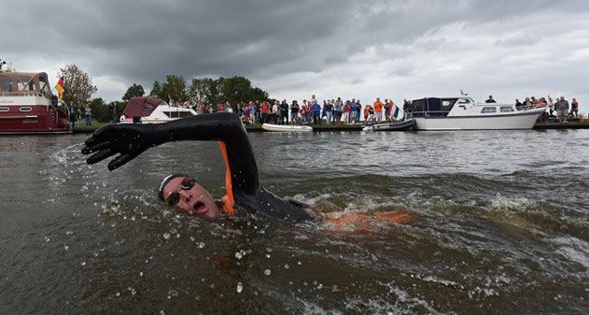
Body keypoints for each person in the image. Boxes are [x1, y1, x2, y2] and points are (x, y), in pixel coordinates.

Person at [82, 113, 411, 228]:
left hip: (359, 231)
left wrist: (154, 135)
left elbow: (229, 124)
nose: (185, 196)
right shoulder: (225, 226)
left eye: (187, 185)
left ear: (205, 189)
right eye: (173, 200)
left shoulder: (239, 196)